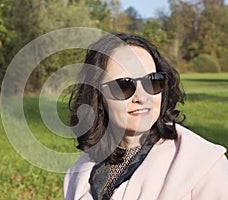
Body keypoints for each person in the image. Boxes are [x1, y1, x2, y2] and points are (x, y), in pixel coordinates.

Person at [63, 33, 228, 200]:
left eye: (152, 81)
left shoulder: (203, 164)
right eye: (124, 86)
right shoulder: (79, 174)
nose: (142, 98)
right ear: (97, 97)